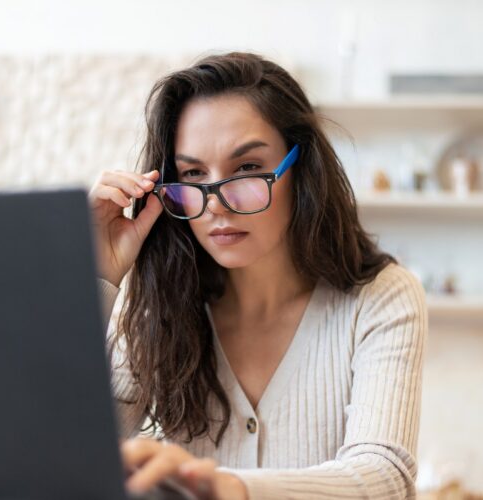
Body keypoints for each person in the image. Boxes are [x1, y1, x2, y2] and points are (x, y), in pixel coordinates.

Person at [89, 52, 427, 500]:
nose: (215, 205)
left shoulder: (381, 298)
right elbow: (69, 459)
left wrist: (224, 485)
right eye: (192, 174)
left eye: (247, 168)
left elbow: (384, 476)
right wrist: (97, 278)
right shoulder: (159, 308)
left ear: (300, 168)